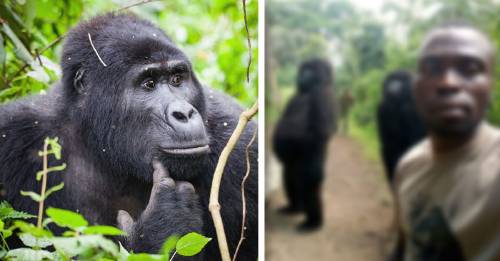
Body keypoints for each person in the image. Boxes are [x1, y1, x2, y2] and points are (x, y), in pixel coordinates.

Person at [393, 23, 500, 260]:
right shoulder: (409, 164)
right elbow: (405, 244)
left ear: (490, 85)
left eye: (470, 69)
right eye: (431, 68)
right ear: (415, 87)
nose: (447, 83)